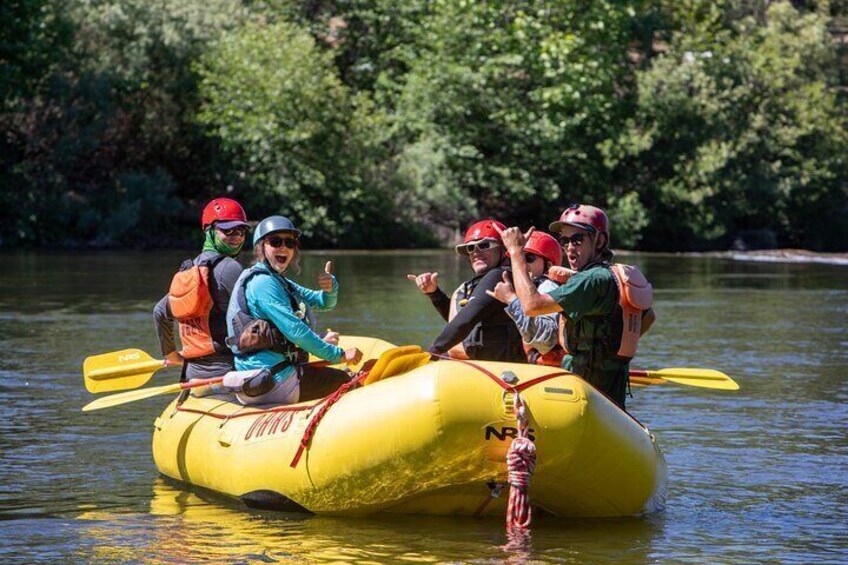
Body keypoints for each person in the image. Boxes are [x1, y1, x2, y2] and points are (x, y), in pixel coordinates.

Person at [498, 204, 656, 410]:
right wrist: (611, 350)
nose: (570, 247)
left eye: (577, 239)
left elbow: (531, 305)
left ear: (599, 241)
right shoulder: (616, 275)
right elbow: (648, 317)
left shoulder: (591, 280)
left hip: (584, 398)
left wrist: (516, 252)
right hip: (611, 397)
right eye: (564, 241)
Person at [224, 215, 362, 405]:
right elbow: (296, 331)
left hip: (272, 375)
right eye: (275, 241)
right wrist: (339, 355)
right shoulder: (262, 283)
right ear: (261, 246)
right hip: (273, 381)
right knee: (347, 382)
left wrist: (331, 289)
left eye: (289, 243)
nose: (283, 247)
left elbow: (322, 302)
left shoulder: (277, 281)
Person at [153, 197, 250, 381]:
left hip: (192, 374)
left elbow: (160, 312)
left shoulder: (190, 271)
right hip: (228, 374)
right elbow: (260, 315)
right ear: (209, 230)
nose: (237, 236)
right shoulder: (230, 268)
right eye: (228, 229)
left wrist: (172, 356)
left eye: (241, 230)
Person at [407, 219, 525, 362]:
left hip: (502, 369)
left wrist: (432, 353)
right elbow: (462, 320)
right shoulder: (476, 283)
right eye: (470, 248)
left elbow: (465, 321)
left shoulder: (500, 276)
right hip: (484, 363)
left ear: (503, 249)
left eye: (484, 245)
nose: (476, 252)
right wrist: (435, 294)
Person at [486, 230, 565, 366]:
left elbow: (545, 341)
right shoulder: (530, 290)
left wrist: (511, 300)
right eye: (517, 258)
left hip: (554, 373)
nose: (520, 264)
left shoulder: (548, 287)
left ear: (549, 266)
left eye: (528, 258)